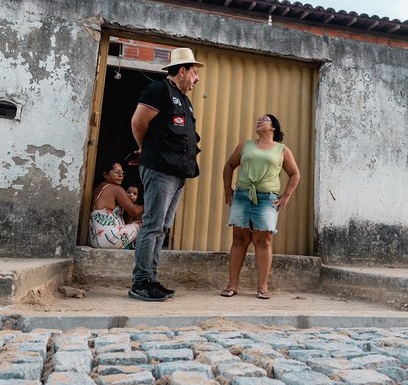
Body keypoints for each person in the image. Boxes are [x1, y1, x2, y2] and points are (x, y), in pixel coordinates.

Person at [129, 47, 204, 301]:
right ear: (181, 71)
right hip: (160, 169)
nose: (197, 78)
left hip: (177, 173)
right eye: (194, 72)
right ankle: (140, 282)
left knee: (162, 227)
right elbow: (138, 124)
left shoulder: (184, 99)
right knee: (152, 226)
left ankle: (151, 278)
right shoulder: (158, 90)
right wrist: (144, 149)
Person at [221, 114, 300, 300]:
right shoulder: (245, 145)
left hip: (267, 199)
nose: (258, 121)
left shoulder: (282, 150)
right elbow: (229, 165)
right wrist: (227, 189)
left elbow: (295, 174)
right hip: (242, 195)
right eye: (257, 119)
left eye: (264, 119)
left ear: (273, 127)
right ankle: (232, 285)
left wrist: (286, 197)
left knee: (263, 241)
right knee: (239, 239)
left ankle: (263, 286)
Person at [88, 162, 144, 250]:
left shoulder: (97, 189)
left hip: (95, 241)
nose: (120, 175)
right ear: (105, 174)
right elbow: (134, 211)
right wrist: (149, 207)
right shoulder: (115, 189)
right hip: (110, 239)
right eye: (117, 172)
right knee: (143, 225)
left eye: (122, 173)